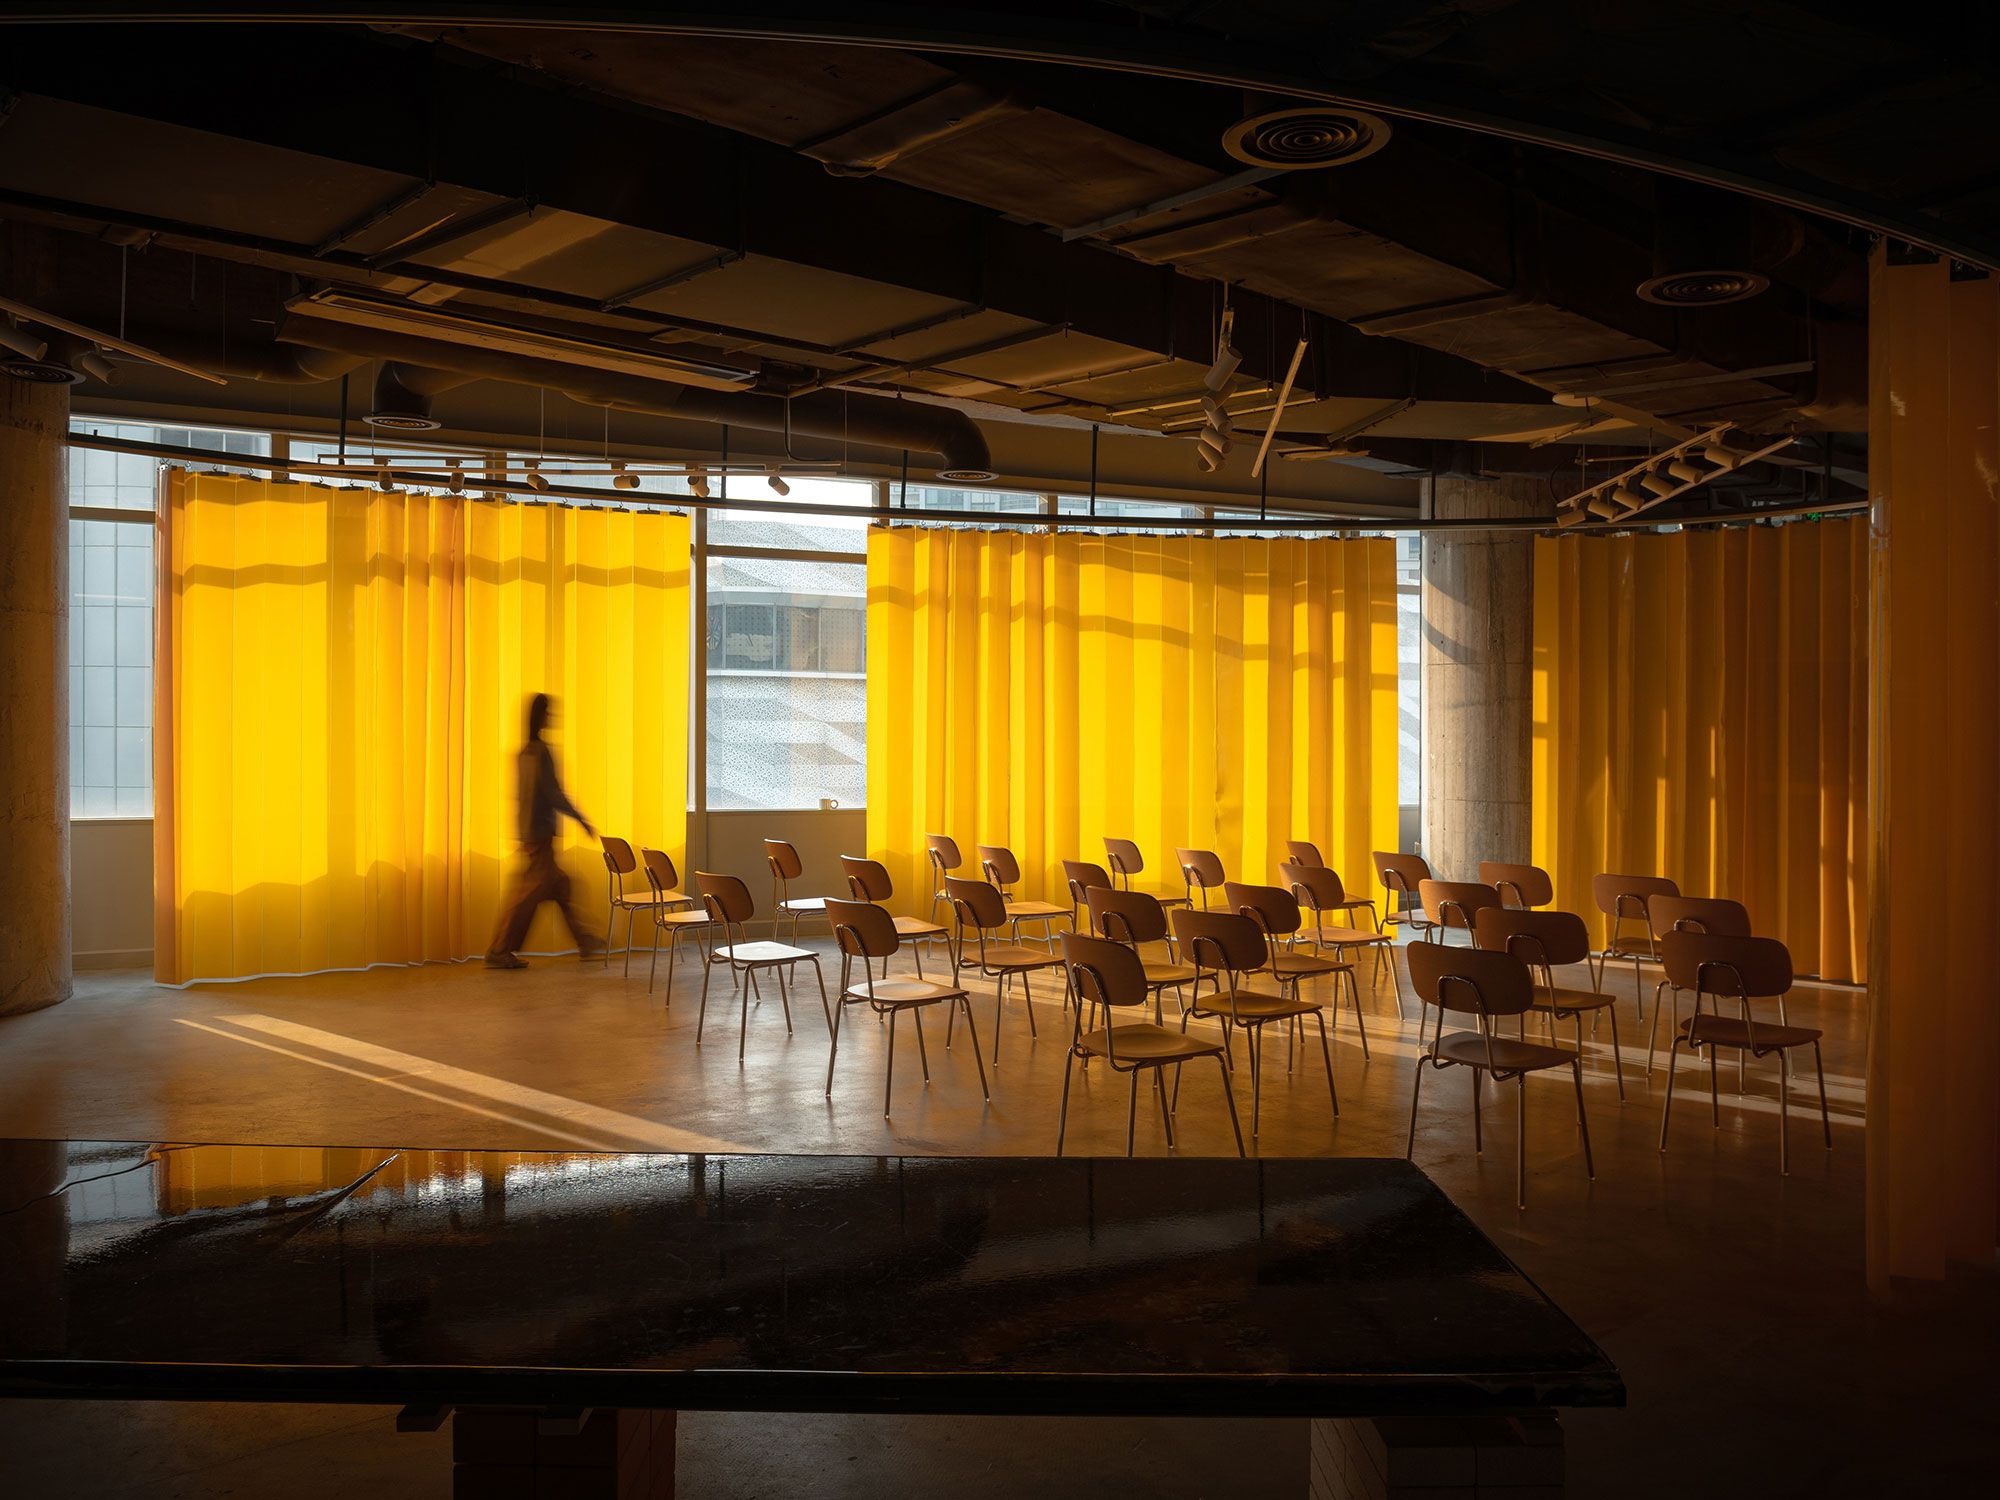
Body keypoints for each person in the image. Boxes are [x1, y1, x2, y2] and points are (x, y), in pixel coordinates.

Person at [486, 693, 604, 968]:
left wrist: (521, 834)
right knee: (528, 897)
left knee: (559, 887)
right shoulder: (542, 753)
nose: (552, 717)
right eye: (549, 713)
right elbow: (554, 794)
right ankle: (499, 949)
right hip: (541, 835)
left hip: (529, 834)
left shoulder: (523, 753)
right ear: (540, 717)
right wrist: (581, 819)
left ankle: (584, 940)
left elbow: (520, 797)